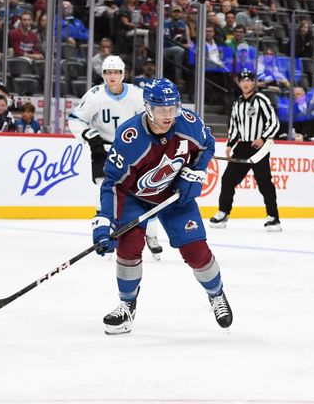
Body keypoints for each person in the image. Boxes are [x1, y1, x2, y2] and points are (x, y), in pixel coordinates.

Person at [93, 78, 233, 335]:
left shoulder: (188, 123)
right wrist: (105, 221)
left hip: (175, 197)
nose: (169, 115)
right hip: (136, 198)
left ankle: (216, 294)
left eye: (173, 108)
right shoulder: (129, 137)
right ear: (148, 108)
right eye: (161, 109)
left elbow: (208, 145)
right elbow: (114, 185)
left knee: (196, 251)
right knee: (128, 248)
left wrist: (195, 171)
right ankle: (126, 306)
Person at [68, 55, 164, 258]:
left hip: (133, 151)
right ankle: (108, 236)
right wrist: (88, 135)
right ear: (103, 74)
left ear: (123, 74)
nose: (112, 76)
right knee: (106, 197)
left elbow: (150, 118)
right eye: (108, 72)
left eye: (116, 72)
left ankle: (151, 235)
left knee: (146, 192)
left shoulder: (137, 95)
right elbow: (76, 120)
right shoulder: (94, 95)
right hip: (103, 151)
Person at [209, 69, 281, 232]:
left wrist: (262, 138)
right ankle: (223, 212)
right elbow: (234, 127)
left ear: (254, 83)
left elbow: (274, 122)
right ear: (239, 83)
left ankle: (273, 217)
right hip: (242, 147)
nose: (245, 83)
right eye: (243, 81)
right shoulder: (237, 103)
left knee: (264, 182)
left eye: (249, 80)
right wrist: (230, 144)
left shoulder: (261, 100)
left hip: (259, 147)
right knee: (228, 180)